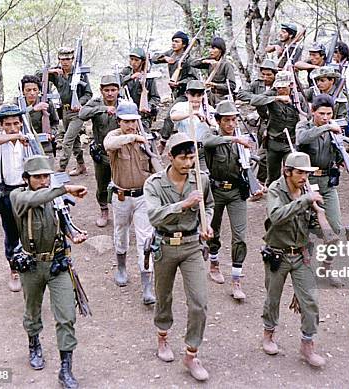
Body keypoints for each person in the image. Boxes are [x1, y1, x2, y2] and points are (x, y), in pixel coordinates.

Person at [10, 155, 88, 389]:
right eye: (38, 177)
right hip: (32, 265)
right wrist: (63, 188)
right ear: (27, 179)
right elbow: (36, 199)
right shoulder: (18, 197)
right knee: (32, 311)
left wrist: (73, 235)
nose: (44, 181)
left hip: (57, 263)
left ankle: (66, 369)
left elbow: (63, 222)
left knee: (66, 316)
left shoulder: (56, 199)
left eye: (46, 176)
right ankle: (34, 344)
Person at [144, 132, 214, 382]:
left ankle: (191, 354)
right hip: (164, 245)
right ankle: (162, 336)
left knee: (199, 302)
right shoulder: (154, 184)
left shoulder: (201, 179)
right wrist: (183, 205)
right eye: (183, 158)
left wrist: (208, 225)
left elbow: (210, 204)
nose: (188, 163)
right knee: (163, 296)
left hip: (192, 245)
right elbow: (153, 216)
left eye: (192, 157)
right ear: (170, 158)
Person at [261, 152, 326, 367]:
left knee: (310, 300)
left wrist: (321, 218)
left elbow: (314, 227)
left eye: (307, 173)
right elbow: (276, 216)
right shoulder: (275, 190)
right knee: (273, 298)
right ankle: (269, 333)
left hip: (301, 255)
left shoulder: (308, 190)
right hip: (277, 254)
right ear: (287, 171)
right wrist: (305, 201)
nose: (304, 178)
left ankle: (307, 343)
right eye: (299, 173)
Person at [296, 95, 349, 286]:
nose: (325, 117)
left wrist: (346, 160)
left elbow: (342, 148)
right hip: (306, 182)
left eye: (328, 114)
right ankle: (302, 268)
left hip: (328, 184)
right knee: (303, 228)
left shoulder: (336, 127)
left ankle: (326, 268)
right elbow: (302, 139)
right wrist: (326, 127)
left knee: (335, 229)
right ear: (312, 111)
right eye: (321, 113)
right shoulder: (304, 126)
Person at [203, 100, 259, 298]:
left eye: (234, 120)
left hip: (236, 192)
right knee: (213, 231)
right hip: (215, 191)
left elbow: (252, 163)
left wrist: (256, 184)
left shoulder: (243, 139)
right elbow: (207, 143)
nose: (231, 124)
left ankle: (236, 279)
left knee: (240, 237)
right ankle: (214, 263)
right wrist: (235, 140)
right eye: (226, 120)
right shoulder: (212, 135)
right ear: (218, 121)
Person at [103, 101, 156, 304]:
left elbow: (156, 166)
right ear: (119, 122)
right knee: (121, 232)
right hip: (121, 195)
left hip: (143, 196)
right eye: (126, 122)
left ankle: (147, 286)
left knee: (145, 238)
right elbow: (109, 145)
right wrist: (133, 137)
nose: (131, 125)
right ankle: (122, 268)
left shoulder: (147, 139)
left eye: (134, 121)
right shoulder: (115, 137)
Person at [0, 104, 29, 292]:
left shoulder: (26, 139)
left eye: (16, 124)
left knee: (30, 230)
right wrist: (14, 136)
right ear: (2, 125)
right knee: (11, 233)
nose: (13, 127)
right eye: (8, 124)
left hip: (26, 191)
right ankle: (14, 270)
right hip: (7, 193)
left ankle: (30, 266)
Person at [250, 71, 308, 185]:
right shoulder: (272, 94)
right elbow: (254, 101)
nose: (281, 90)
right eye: (278, 87)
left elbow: (306, 116)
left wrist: (293, 105)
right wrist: (276, 98)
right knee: (272, 176)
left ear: (291, 85)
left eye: (284, 87)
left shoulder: (298, 98)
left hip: (290, 142)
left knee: (291, 173)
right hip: (274, 142)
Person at [78, 75, 120, 227]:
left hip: (120, 152)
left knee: (121, 183)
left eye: (113, 90)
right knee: (102, 184)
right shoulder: (96, 103)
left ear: (118, 90)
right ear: (101, 91)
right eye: (106, 90)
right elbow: (81, 114)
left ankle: (121, 211)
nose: (110, 93)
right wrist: (103, 109)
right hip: (101, 153)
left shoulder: (124, 104)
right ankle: (104, 209)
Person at [44, 47, 92, 176]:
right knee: (75, 140)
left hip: (77, 113)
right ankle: (81, 165)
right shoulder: (56, 73)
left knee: (67, 140)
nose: (65, 62)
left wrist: (79, 103)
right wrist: (51, 71)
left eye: (68, 59)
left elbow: (88, 93)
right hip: (64, 112)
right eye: (62, 59)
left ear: (73, 59)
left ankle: (61, 168)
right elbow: (38, 76)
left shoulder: (80, 73)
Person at [237, 59, 278, 184]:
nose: (265, 77)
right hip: (263, 122)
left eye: (269, 75)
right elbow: (241, 94)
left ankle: (264, 180)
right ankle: (264, 180)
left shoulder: (280, 85)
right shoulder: (257, 84)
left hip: (276, 123)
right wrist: (258, 99)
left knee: (268, 153)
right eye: (263, 74)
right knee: (263, 153)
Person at [153, 31, 199, 140]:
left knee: (170, 116)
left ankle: (163, 141)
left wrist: (179, 83)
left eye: (177, 42)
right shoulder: (171, 53)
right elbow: (154, 59)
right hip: (175, 93)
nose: (173, 44)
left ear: (183, 45)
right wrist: (164, 58)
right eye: (173, 41)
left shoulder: (188, 60)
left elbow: (193, 79)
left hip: (185, 93)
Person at [169, 80, 216, 172]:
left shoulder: (209, 109)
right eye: (192, 95)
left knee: (204, 176)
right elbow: (173, 117)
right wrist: (192, 113)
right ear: (187, 94)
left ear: (203, 95)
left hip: (202, 149)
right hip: (185, 149)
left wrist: (208, 121)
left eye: (199, 95)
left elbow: (215, 127)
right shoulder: (180, 106)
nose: (195, 98)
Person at [119, 47, 161, 129]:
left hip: (143, 116)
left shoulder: (149, 77)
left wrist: (148, 106)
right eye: (131, 59)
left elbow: (155, 97)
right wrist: (130, 77)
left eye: (136, 60)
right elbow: (117, 83)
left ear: (142, 62)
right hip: (127, 112)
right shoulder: (126, 72)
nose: (133, 62)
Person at [190, 37, 236, 105]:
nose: (210, 51)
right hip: (210, 96)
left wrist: (215, 85)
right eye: (210, 48)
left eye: (214, 48)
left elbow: (232, 86)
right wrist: (205, 61)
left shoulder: (226, 65)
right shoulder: (209, 62)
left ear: (220, 50)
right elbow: (193, 63)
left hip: (222, 98)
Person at [19, 74, 59, 154]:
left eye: (35, 89)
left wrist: (51, 133)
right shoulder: (18, 104)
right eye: (28, 90)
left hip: (45, 145)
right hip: (25, 144)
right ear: (23, 92)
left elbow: (55, 122)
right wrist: (33, 109)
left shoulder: (47, 103)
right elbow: (17, 118)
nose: (32, 93)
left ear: (39, 91)